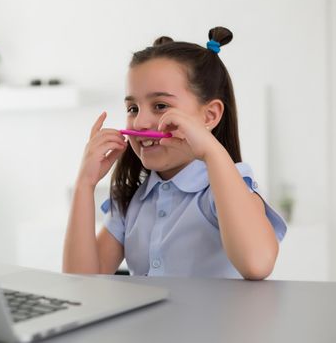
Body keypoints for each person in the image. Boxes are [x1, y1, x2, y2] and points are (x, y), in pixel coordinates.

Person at [62, 27, 287, 280]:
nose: (139, 123)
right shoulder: (132, 201)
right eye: (133, 108)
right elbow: (80, 284)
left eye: (160, 106)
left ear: (209, 116)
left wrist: (212, 151)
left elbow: (257, 264)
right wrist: (85, 184)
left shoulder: (226, 188)